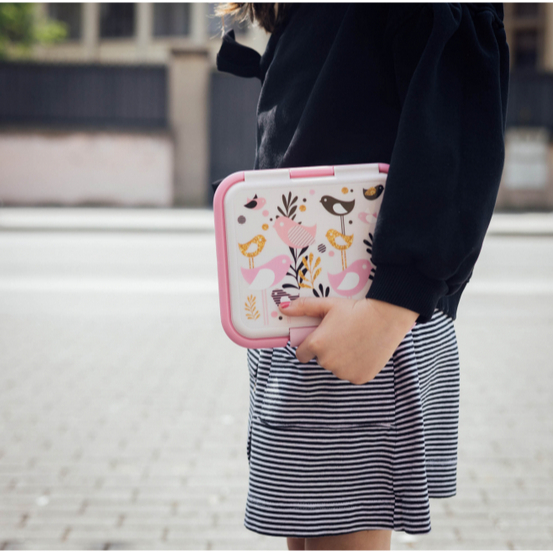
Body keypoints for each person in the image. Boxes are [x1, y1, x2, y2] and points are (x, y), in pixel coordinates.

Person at [215, 3, 509, 550]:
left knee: (337, 538)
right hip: (315, 309)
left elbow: (458, 122)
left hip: (365, 309)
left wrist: (392, 307)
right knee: (309, 536)